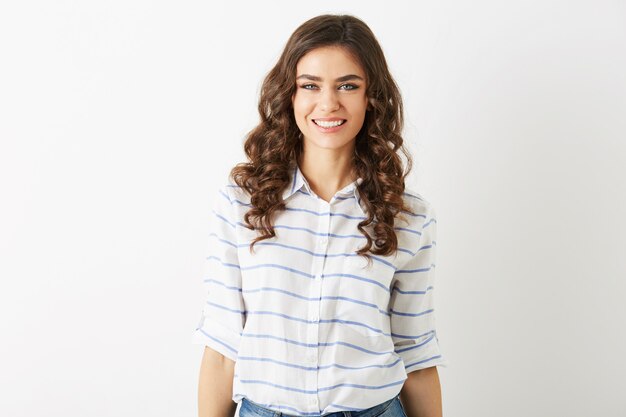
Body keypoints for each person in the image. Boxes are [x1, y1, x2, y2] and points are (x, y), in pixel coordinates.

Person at [193, 13, 449, 417]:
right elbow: (222, 350)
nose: (328, 103)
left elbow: (416, 353)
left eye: (348, 85)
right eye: (310, 85)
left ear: (371, 98)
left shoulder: (409, 216)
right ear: (289, 95)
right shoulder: (241, 203)